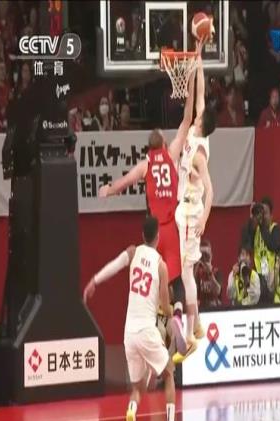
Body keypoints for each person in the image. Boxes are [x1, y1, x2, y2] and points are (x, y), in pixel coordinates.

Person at [98, 42, 203, 307]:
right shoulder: (172, 153)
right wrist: (191, 81)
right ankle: (177, 313)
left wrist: (108, 190)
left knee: (155, 279)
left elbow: (124, 183)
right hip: (172, 227)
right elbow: (187, 119)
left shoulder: (145, 165)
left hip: (155, 230)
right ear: (164, 144)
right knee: (177, 281)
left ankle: (160, 317)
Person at [83, 216, 185, 421]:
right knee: (169, 373)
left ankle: (131, 412)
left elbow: (114, 265)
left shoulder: (133, 252)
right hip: (147, 330)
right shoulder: (161, 265)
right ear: (158, 237)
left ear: (142, 235)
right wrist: (175, 310)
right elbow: (164, 307)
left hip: (129, 333)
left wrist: (94, 281)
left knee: (138, 388)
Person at [173, 41, 217, 364]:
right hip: (184, 209)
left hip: (191, 211)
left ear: (202, 124)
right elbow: (199, 92)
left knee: (187, 273)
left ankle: (190, 333)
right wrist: (198, 57)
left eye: (200, 116)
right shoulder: (196, 127)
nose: (197, 114)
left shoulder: (200, 153)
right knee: (184, 270)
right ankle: (197, 323)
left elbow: (211, 191)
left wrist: (203, 220)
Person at [241, 197, 280, 296]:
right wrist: (252, 218)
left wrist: (262, 226)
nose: (262, 216)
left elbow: (273, 245)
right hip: (257, 274)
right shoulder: (256, 230)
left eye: (265, 213)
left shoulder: (275, 228)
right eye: (261, 213)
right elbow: (245, 242)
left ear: (271, 216)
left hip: (271, 276)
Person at [194, 239, 222, 308]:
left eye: (206, 254)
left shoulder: (216, 271)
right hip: (201, 307)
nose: (204, 257)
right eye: (201, 254)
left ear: (211, 255)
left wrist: (210, 273)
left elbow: (218, 291)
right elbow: (192, 289)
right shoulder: (198, 272)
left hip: (214, 307)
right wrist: (197, 264)